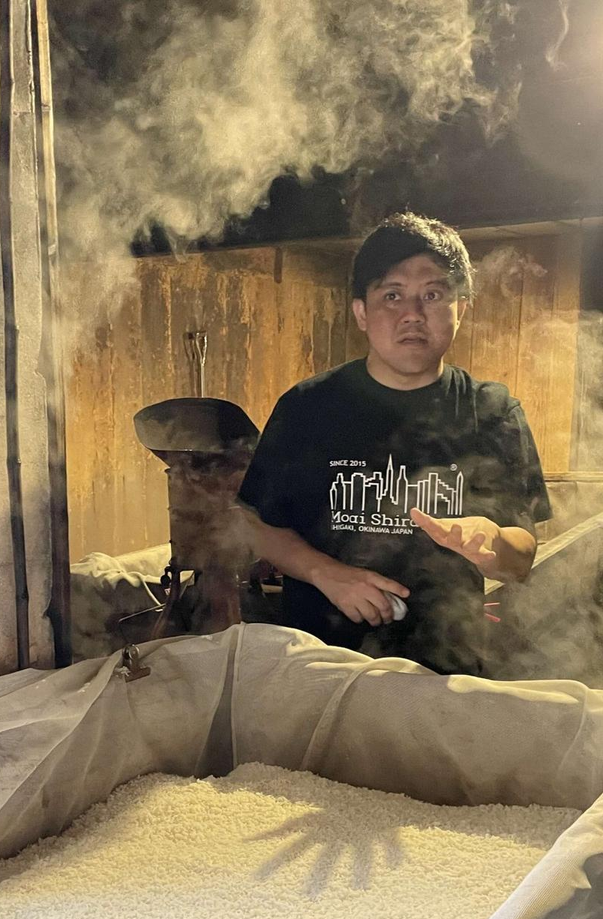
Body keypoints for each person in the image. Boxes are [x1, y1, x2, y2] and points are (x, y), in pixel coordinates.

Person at [237, 211, 552, 674]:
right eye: (392, 295)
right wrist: (328, 574)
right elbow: (254, 523)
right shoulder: (307, 407)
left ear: (461, 309)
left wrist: (493, 542)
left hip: (444, 667)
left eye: (433, 294)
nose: (413, 313)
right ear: (361, 313)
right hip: (319, 661)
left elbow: (521, 556)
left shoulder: (492, 412)